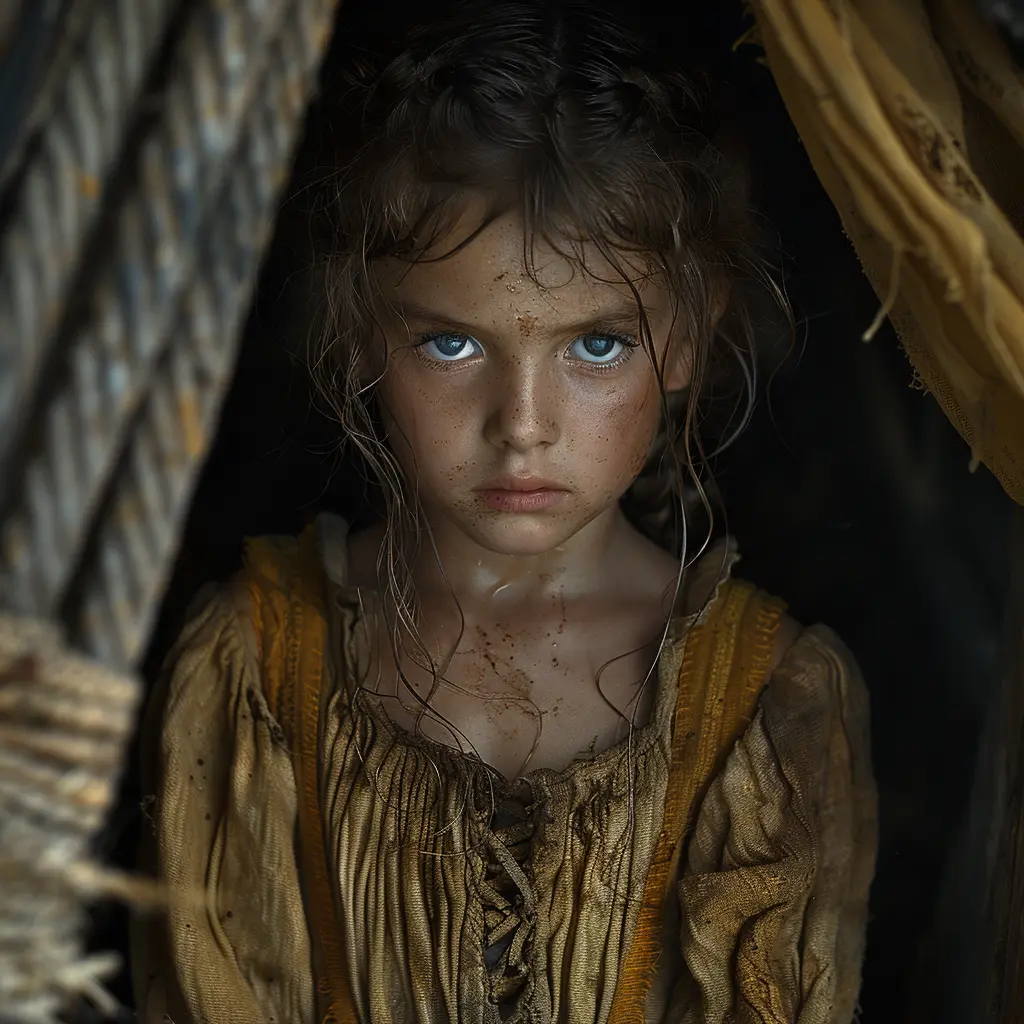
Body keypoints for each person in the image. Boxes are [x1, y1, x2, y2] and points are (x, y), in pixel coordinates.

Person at [131, 2, 877, 1021]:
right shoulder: (259, 666)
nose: (522, 426)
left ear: (687, 339)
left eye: (596, 346)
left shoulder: (764, 700)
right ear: (357, 332)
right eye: (451, 345)